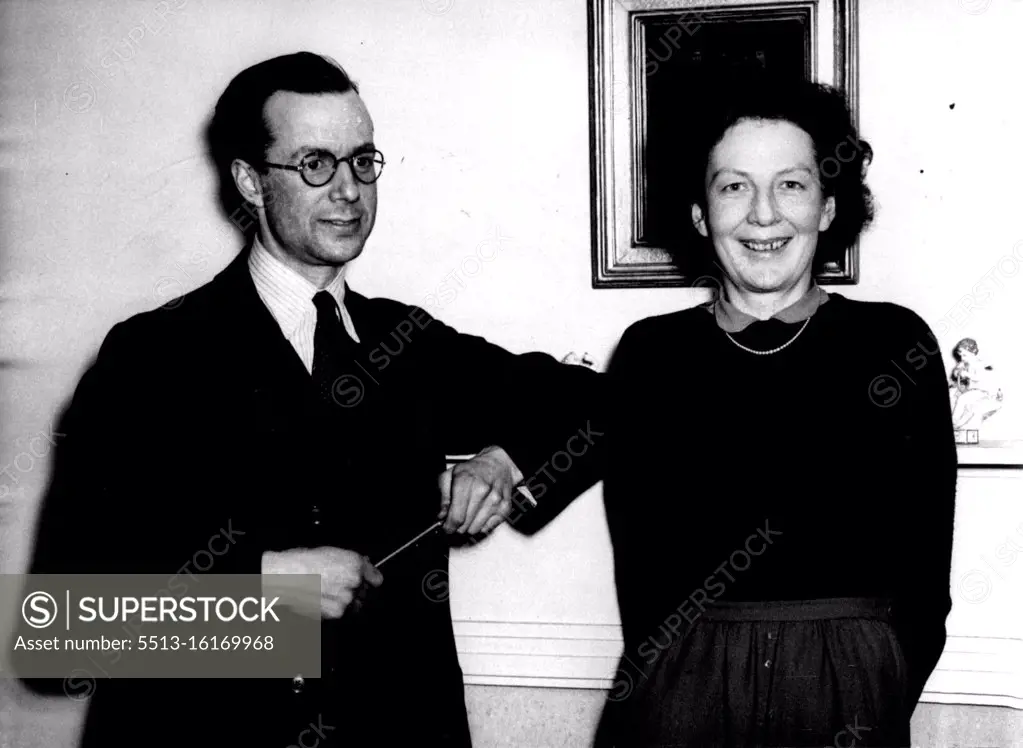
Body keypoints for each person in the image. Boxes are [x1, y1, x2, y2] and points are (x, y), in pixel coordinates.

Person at [20, 51, 602, 747]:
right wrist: (264, 593)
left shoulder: (406, 341)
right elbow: (58, 630)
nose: (348, 190)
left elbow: (600, 403)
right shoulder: (150, 357)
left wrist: (504, 464)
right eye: (315, 164)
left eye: (362, 161)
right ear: (250, 181)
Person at [595, 78, 957, 747]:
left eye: (790, 184)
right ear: (700, 213)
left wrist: (872, 673)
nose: (763, 214)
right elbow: (637, 568)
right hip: (682, 687)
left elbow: (925, 567)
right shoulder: (650, 354)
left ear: (826, 207)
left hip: (847, 686)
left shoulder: (895, 345)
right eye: (732, 186)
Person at [948, 337, 1003, 431]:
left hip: (982, 390)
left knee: (963, 399)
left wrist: (966, 374)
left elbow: (978, 377)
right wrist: (957, 372)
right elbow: (955, 372)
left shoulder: (979, 364)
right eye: (960, 355)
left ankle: (954, 421)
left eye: (964, 355)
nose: (962, 358)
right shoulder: (964, 362)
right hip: (970, 389)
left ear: (972, 353)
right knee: (952, 393)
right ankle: (956, 422)